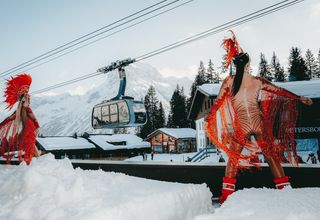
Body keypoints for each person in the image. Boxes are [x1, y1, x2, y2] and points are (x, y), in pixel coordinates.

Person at [205, 31, 313, 205]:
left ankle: (226, 197)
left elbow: (217, 103)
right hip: (258, 123)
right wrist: (299, 98)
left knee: (233, 160)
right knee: (271, 158)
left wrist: (208, 119)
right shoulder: (258, 81)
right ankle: (285, 190)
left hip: (242, 125)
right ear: (247, 64)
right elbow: (280, 91)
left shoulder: (229, 82)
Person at [0, 74, 40, 164]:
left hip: (30, 128)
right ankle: (36, 161)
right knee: (22, 142)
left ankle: (36, 161)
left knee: (29, 144)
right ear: (23, 100)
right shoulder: (19, 110)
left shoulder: (27, 108)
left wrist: (37, 127)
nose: (28, 101)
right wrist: (1, 124)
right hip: (26, 128)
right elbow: (10, 118)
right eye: (26, 99)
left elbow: (33, 117)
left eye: (28, 100)